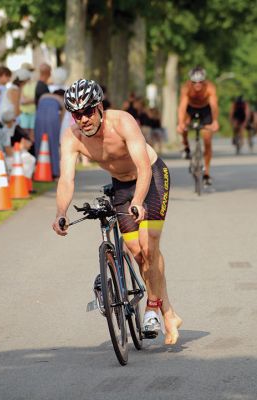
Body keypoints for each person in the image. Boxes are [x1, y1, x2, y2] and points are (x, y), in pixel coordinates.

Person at [52, 79, 182, 345]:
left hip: (151, 177)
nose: (84, 119)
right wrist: (60, 212)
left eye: (88, 111)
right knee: (136, 253)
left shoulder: (122, 122)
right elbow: (66, 179)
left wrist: (138, 200)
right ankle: (170, 313)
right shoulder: (72, 137)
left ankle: (153, 308)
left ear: (100, 107)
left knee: (149, 245)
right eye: (77, 114)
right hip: (121, 185)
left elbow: (143, 167)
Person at [177, 66, 219, 186]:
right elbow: (182, 107)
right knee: (183, 126)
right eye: (194, 82)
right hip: (190, 109)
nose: (197, 85)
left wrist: (215, 121)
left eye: (200, 82)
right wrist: (180, 123)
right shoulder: (186, 88)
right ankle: (185, 145)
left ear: (204, 81)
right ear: (190, 82)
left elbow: (214, 106)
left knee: (207, 140)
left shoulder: (210, 88)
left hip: (205, 110)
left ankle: (206, 173)